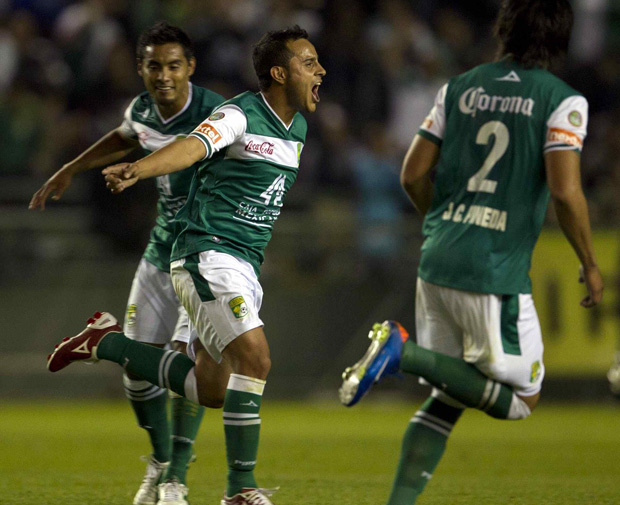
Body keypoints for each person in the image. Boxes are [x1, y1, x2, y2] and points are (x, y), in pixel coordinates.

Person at [46, 25, 326, 505]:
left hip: (244, 263)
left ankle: (104, 343)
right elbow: (192, 146)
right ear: (279, 73)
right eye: (309, 62)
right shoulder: (239, 113)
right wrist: (139, 168)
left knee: (212, 389)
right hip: (207, 254)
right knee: (256, 359)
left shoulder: (296, 129)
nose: (320, 71)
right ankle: (239, 489)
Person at [339, 1, 603, 504]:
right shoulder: (562, 100)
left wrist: (444, 225)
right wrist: (589, 262)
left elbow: (412, 174)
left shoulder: (457, 88)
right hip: (493, 271)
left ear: (502, 31)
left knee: (450, 394)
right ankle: (401, 352)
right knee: (523, 398)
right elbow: (566, 192)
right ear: (560, 40)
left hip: (437, 258)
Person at [30, 22, 225, 505]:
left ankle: (177, 478)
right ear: (141, 69)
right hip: (160, 252)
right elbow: (125, 136)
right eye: (154, 65)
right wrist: (70, 169)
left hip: (204, 254)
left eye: (174, 65)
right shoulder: (141, 111)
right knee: (139, 375)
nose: (164, 75)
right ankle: (160, 464)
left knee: (185, 364)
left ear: (191, 68)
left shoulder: (217, 113)